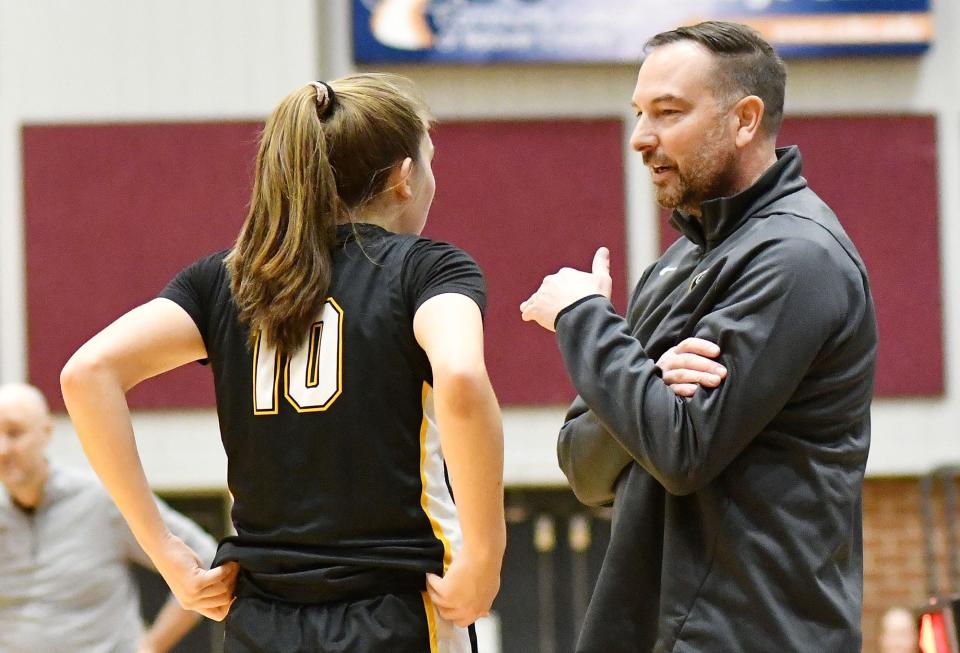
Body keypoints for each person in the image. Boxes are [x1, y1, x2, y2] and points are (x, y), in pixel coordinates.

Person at [60, 73, 505, 653]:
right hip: (397, 608)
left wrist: (163, 548)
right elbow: (464, 377)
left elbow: (86, 374)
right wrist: (486, 556)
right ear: (403, 176)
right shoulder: (427, 268)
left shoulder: (229, 279)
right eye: (430, 159)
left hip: (259, 620)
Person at [521, 21, 877, 653]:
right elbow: (584, 465)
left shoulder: (798, 258)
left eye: (668, 112)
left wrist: (584, 319)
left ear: (744, 120)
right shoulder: (676, 266)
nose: (640, 138)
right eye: (639, 113)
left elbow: (681, 449)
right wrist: (652, 377)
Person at [0, 382, 218, 653]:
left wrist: (151, 646)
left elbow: (204, 556)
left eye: (14, 433)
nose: (3, 449)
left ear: (46, 432)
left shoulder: (101, 498)